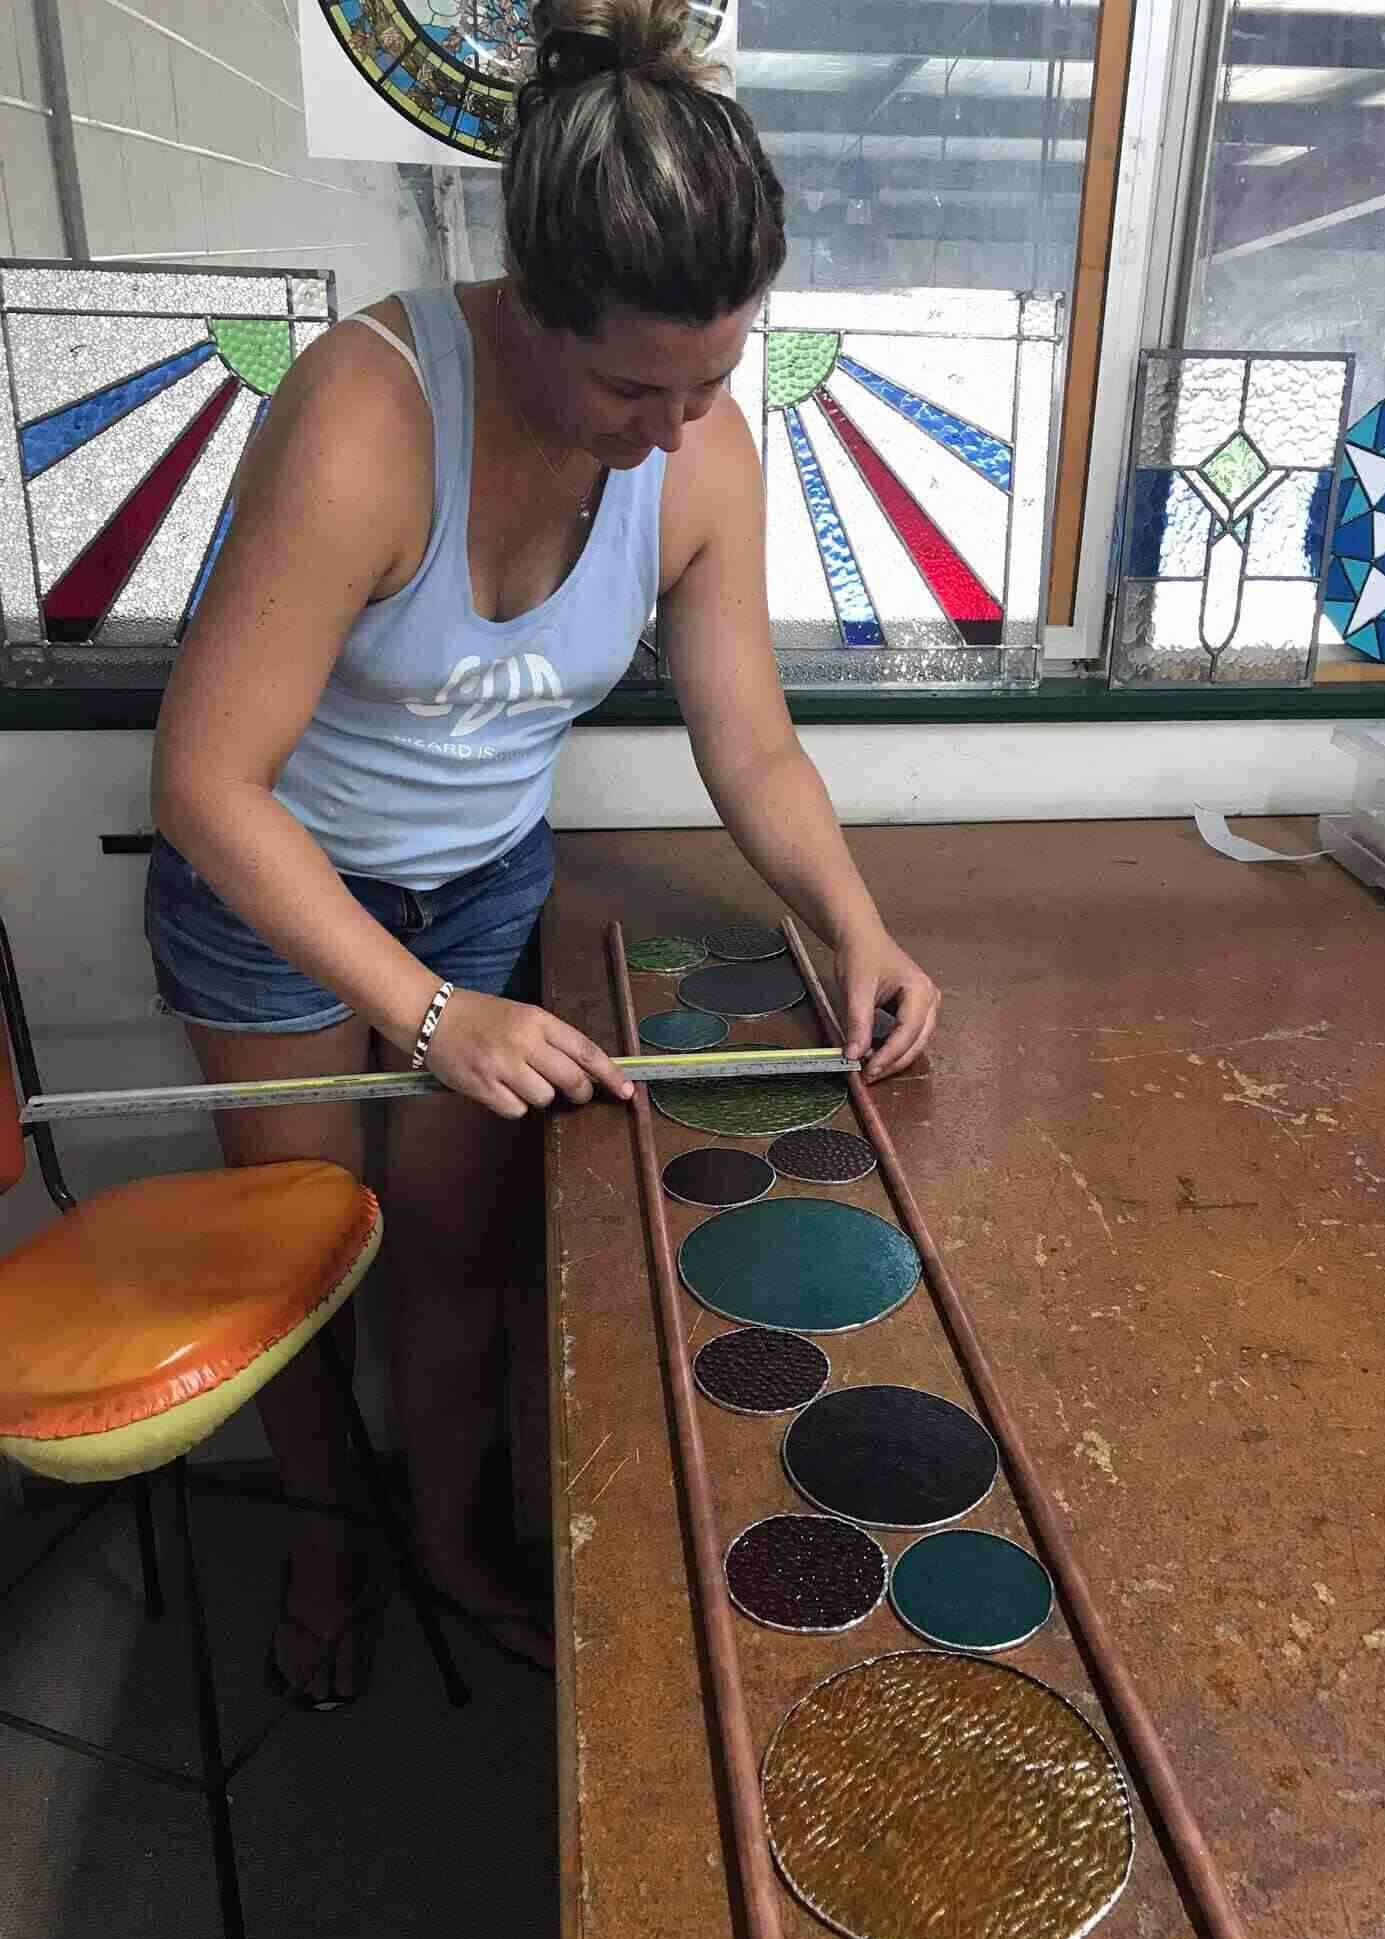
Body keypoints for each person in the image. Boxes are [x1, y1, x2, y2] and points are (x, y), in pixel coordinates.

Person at [147, 0, 940, 1706]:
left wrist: (855, 925)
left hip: (482, 890)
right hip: (277, 891)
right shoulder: (369, 415)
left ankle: (446, 1536)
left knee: (458, 1248)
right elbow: (210, 782)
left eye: (713, 379)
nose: (673, 429)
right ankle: (320, 1534)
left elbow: (753, 743)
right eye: (632, 385)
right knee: (298, 1255)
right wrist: (430, 1017)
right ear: (528, 307)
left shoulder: (698, 447)